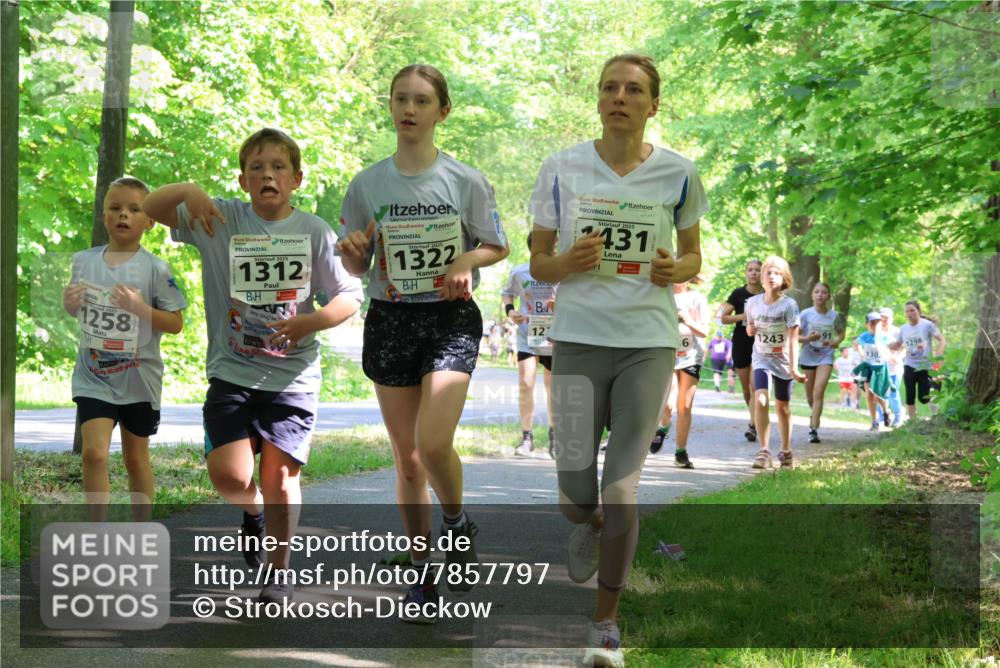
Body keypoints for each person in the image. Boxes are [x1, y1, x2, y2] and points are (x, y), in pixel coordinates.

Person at [528, 53, 706, 667]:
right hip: (577, 338)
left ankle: (605, 623)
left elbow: (692, 258)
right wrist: (566, 263)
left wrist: (672, 270)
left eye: (634, 90)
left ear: (653, 104)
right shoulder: (561, 168)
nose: (620, 97)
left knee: (623, 486)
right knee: (577, 494)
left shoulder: (679, 174)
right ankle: (590, 520)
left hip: (648, 342)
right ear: (598, 99)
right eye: (610, 88)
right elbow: (538, 261)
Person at [143, 128, 364, 602]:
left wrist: (312, 321)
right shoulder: (218, 218)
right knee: (232, 479)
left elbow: (350, 296)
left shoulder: (314, 232)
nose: (268, 174)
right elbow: (150, 208)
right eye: (257, 167)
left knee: (281, 479)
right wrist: (188, 191)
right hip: (232, 371)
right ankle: (252, 512)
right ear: (243, 180)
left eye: (278, 167)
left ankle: (277, 571)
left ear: (296, 178)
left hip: (293, 374)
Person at [337, 64, 509, 622]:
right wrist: (355, 248)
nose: (409, 110)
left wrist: (466, 258)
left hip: (449, 319)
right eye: (400, 100)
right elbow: (356, 262)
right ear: (390, 108)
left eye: (421, 101)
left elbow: (496, 244)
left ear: (442, 111)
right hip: (390, 319)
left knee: (433, 444)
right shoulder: (367, 183)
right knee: (407, 460)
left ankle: (457, 524)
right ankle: (420, 572)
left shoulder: (465, 180)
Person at [62, 177, 186, 521]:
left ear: (149, 221)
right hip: (94, 375)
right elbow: (76, 310)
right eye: (115, 208)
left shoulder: (157, 269)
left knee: (135, 458)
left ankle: (141, 529)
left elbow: (176, 323)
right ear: (104, 217)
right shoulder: (83, 262)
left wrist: (140, 308)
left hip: (139, 379)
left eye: (134, 209)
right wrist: (70, 302)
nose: (124, 215)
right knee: (94, 455)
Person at [745, 255, 804, 469]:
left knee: (783, 407)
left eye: (777, 273)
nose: (771, 276)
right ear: (762, 278)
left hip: (783, 362)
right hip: (761, 358)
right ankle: (763, 451)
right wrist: (750, 329)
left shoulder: (789, 305)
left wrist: (794, 367)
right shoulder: (752, 303)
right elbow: (750, 328)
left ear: (784, 278)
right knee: (760, 400)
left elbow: (794, 338)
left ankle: (786, 450)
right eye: (768, 272)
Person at [502, 232, 556, 457]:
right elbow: (507, 295)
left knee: (553, 387)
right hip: (527, 334)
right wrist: (511, 311)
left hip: (554, 335)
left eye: (553, 245)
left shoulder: (563, 273)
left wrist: (559, 305)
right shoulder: (519, 272)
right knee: (525, 383)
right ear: (533, 248)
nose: (551, 249)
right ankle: (527, 438)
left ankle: (555, 438)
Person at [649, 277, 708, 469]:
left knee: (684, 406)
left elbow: (703, 331)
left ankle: (680, 452)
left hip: (691, 356)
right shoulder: (659, 295)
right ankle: (664, 426)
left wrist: (687, 320)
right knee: (666, 402)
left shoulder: (696, 298)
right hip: (666, 354)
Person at [720, 260, 763, 442]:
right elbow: (724, 317)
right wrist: (743, 316)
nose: (753, 273)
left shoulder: (767, 294)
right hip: (741, 343)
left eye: (757, 270)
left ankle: (753, 426)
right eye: (750, 270)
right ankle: (753, 417)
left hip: (761, 343)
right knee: (746, 390)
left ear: (762, 274)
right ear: (746, 273)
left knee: (755, 387)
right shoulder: (738, 294)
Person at [797, 282, 845, 443]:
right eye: (816, 292)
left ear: (828, 296)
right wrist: (808, 338)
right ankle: (815, 414)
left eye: (824, 292)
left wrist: (836, 341)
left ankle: (813, 428)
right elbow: (794, 337)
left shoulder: (834, 316)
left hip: (826, 356)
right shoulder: (805, 314)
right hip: (808, 356)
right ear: (812, 295)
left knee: (818, 391)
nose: (820, 295)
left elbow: (840, 333)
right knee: (810, 396)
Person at [891, 300, 946, 419]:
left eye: (912, 310)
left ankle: (935, 417)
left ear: (918, 311)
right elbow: (898, 344)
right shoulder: (904, 328)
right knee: (910, 394)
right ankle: (912, 422)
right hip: (909, 365)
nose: (909, 313)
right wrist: (891, 346)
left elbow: (941, 339)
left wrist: (938, 355)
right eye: (907, 311)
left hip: (926, 365)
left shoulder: (927, 325)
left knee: (924, 397)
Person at [853, 312, 894, 431]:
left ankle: (886, 412)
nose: (875, 325)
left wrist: (892, 356)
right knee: (869, 394)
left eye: (877, 322)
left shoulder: (885, 336)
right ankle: (874, 421)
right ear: (867, 324)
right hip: (868, 367)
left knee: (878, 393)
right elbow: (858, 345)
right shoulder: (864, 336)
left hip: (880, 368)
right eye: (872, 322)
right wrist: (861, 353)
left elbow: (893, 347)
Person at [878, 307, 904, 427]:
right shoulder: (877, 330)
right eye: (882, 318)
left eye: (886, 318)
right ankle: (882, 416)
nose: (884, 320)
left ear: (891, 319)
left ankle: (898, 417)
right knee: (879, 392)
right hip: (880, 366)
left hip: (895, 366)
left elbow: (905, 348)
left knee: (893, 392)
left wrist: (898, 358)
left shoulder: (897, 332)